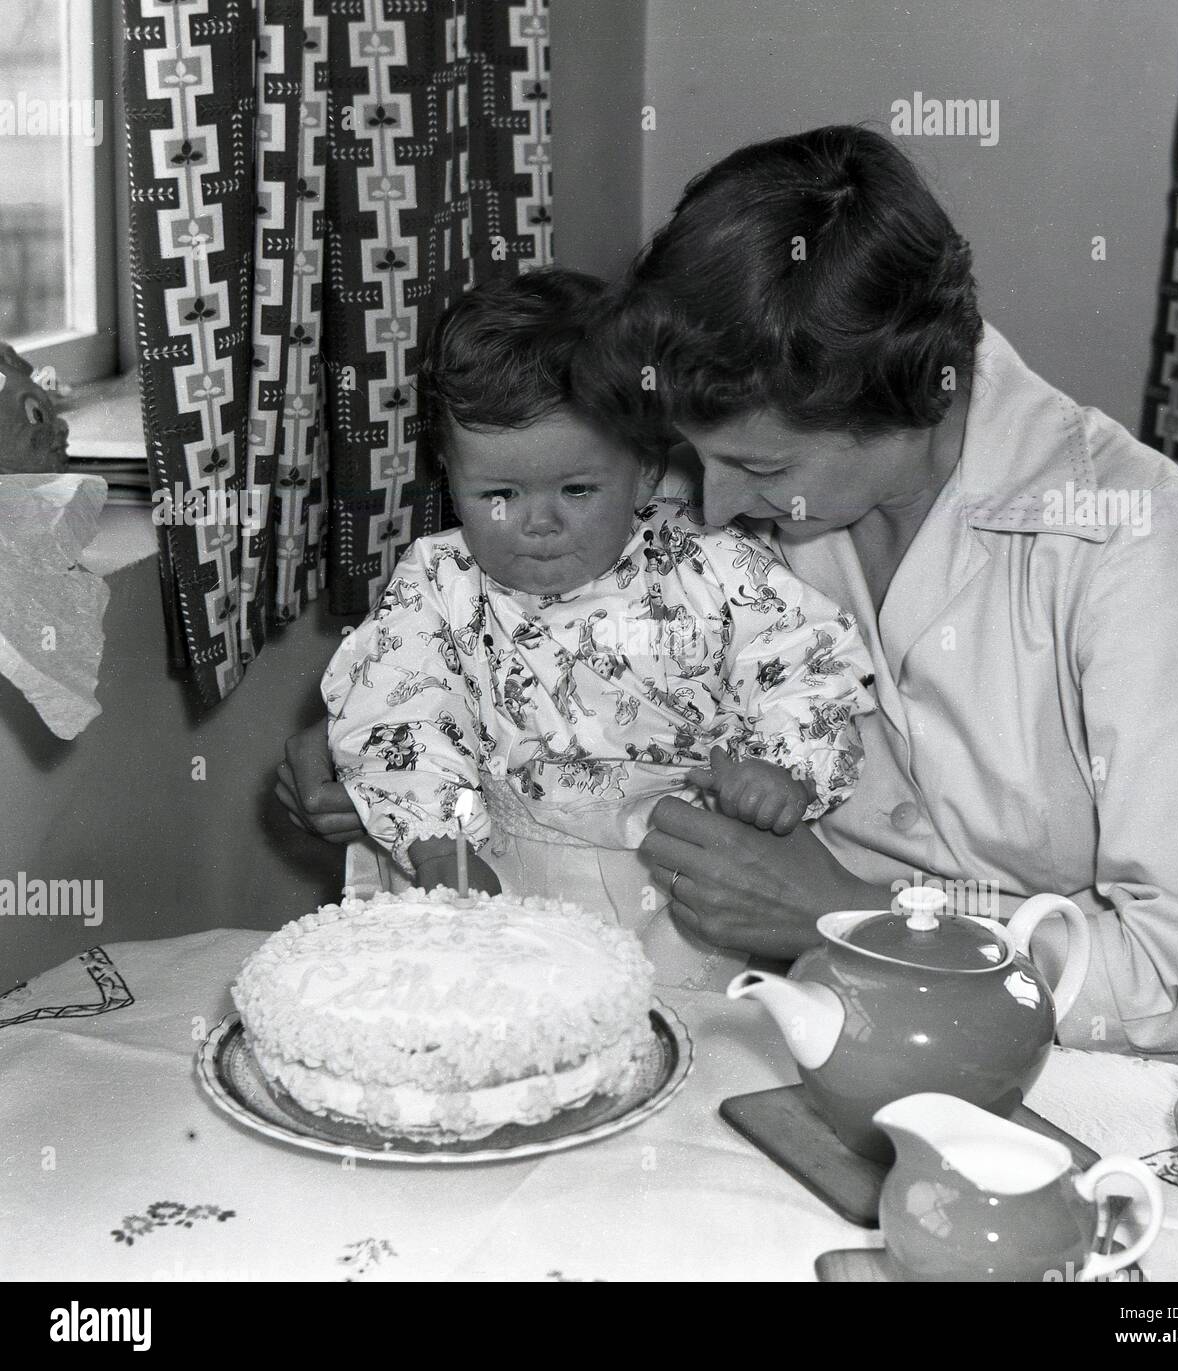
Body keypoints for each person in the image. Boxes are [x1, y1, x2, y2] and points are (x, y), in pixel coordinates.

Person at [281, 125, 1178, 1085]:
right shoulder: (707, 473)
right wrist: (374, 748)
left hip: (1076, 1067)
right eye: (694, 457)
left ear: (914, 402)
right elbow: (510, 649)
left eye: (758, 466)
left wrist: (852, 919)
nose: (711, 504)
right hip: (771, 1025)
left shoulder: (1121, 531)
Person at [317, 269, 877, 987]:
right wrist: (436, 840)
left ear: (645, 471)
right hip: (488, 865)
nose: (538, 523)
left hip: (675, 881)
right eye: (499, 494)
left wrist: (786, 767)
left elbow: (804, 656)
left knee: (670, 1039)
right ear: (449, 476)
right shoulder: (439, 583)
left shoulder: (711, 566)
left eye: (577, 490)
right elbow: (401, 709)